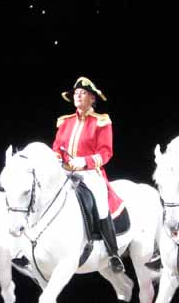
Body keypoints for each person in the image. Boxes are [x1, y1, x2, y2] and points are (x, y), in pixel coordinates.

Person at [52, 76, 125, 274]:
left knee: (101, 204)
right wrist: (58, 158)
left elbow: (106, 152)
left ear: (92, 98)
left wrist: (84, 161)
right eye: (76, 93)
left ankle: (113, 253)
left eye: (83, 93)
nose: (78, 96)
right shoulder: (65, 122)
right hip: (66, 172)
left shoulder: (101, 121)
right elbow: (57, 147)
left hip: (90, 173)